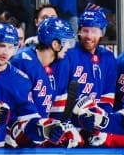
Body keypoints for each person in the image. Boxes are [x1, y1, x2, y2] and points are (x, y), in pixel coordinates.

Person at [10, 17, 80, 146]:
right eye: (66, 42)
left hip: (38, 136)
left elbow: (57, 111)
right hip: (14, 139)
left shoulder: (58, 65)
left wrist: (59, 130)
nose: (68, 47)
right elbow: (14, 107)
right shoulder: (23, 62)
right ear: (55, 44)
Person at [63, 9, 117, 115]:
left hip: (97, 117)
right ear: (79, 32)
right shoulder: (68, 55)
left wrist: (101, 118)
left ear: (102, 33)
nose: (89, 36)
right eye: (85, 31)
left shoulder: (108, 57)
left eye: (94, 31)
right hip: (70, 118)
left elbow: (108, 95)